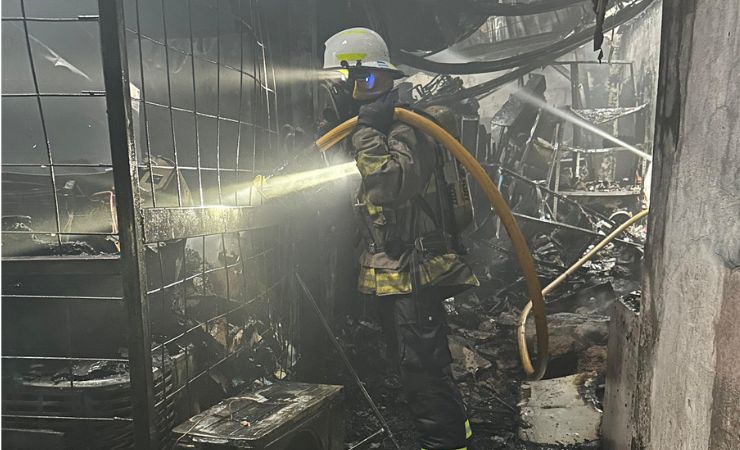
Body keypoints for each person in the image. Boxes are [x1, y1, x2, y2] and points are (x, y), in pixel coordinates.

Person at [323, 28, 479, 450]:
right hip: (394, 273)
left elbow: (388, 186)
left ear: (374, 78)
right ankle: (454, 435)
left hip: (415, 272)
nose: (348, 90)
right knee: (413, 366)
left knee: (422, 369)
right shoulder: (374, 128)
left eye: (356, 79)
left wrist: (364, 132)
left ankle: (446, 443)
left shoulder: (408, 128)